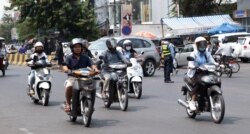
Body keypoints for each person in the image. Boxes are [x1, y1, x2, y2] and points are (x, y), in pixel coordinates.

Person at [62, 38, 99, 112]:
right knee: (69, 86)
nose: (77, 49)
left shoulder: (86, 57)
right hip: (73, 77)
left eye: (79, 47)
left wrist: (96, 70)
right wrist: (67, 70)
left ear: (82, 48)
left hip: (85, 77)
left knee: (93, 87)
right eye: (75, 47)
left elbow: (92, 65)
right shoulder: (69, 57)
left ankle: (91, 104)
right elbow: (64, 66)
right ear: (72, 48)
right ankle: (68, 104)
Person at [187, 37, 218, 111]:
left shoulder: (206, 53)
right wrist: (192, 66)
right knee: (198, 83)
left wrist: (217, 64)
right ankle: (193, 101)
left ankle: (213, 96)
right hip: (196, 72)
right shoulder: (194, 53)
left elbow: (212, 61)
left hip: (206, 71)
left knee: (215, 79)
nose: (202, 46)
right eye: (200, 44)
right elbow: (190, 63)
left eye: (204, 44)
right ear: (196, 45)